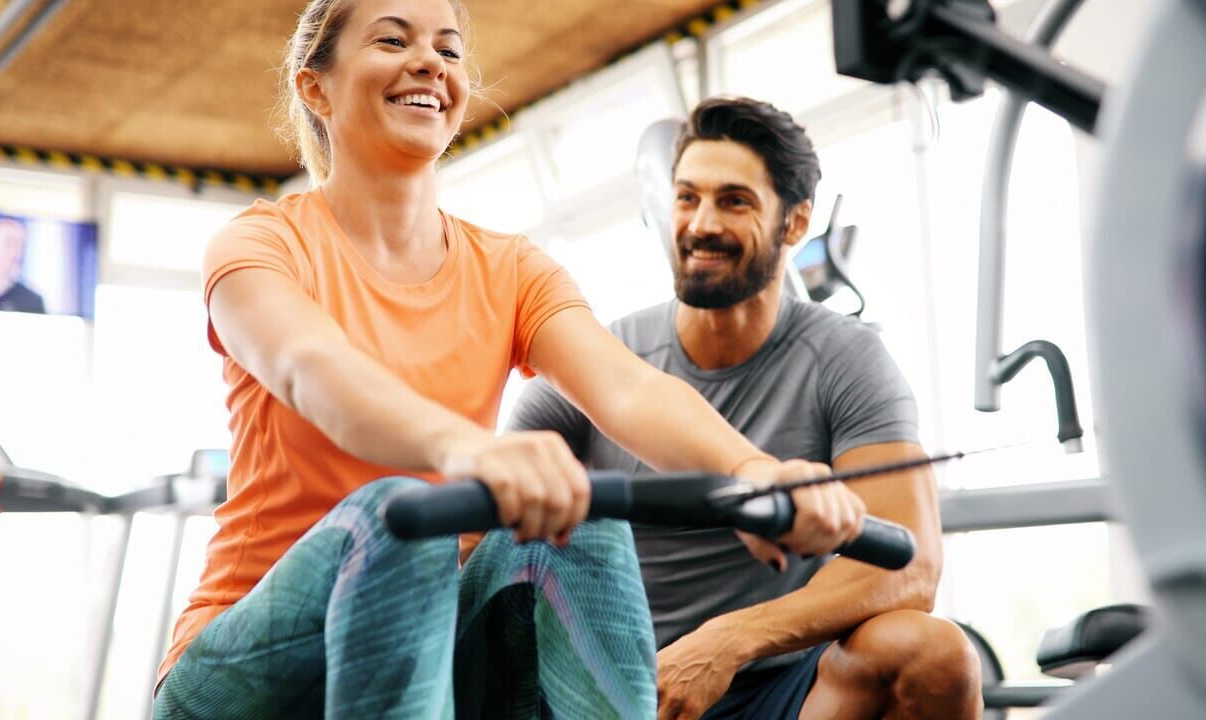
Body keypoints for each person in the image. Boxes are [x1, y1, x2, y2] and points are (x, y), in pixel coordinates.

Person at [154, 3, 869, 718]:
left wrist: (752, 471)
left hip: (432, 653)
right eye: (393, 40)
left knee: (578, 512)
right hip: (247, 671)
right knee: (401, 515)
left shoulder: (511, 268)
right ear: (316, 88)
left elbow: (625, 386)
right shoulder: (261, 245)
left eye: (448, 50)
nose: (429, 62)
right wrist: (469, 451)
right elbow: (312, 368)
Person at [510, 97, 983, 720]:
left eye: (734, 201)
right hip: (626, 691)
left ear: (794, 222)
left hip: (782, 687)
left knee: (935, 655)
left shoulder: (845, 359)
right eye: (687, 198)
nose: (701, 224)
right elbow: (482, 544)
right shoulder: (599, 364)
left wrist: (729, 640)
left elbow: (913, 566)